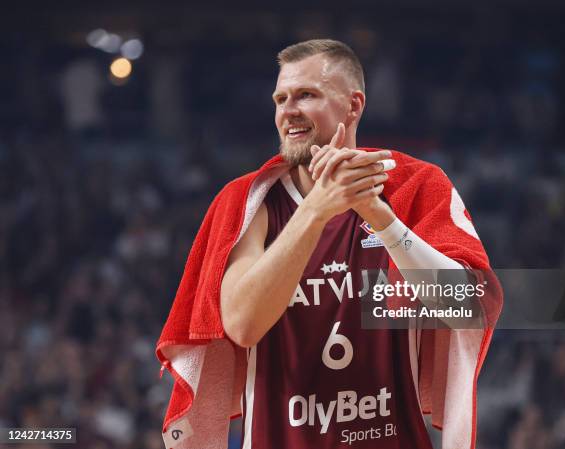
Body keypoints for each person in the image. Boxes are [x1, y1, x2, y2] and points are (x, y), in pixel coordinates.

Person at [156, 39, 501, 449]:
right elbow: (243, 325)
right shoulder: (248, 202)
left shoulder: (415, 186)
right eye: (280, 99)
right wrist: (315, 210)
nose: (288, 110)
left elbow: (466, 308)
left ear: (353, 106)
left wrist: (381, 219)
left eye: (306, 95)